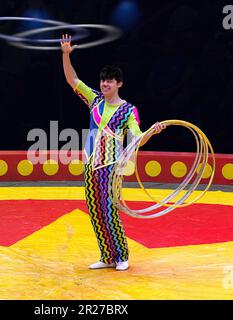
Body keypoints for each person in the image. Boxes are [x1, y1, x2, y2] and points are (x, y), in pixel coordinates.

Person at [60, 34, 165, 271]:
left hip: (111, 166)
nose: (104, 84)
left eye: (110, 81)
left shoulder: (129, 110)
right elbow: (72, 79)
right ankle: (107, 256)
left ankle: (121, 255)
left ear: (119, 84)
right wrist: (66, 55)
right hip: (90, 165)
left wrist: (153, 131)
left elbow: (137, 138)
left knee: (109, 210)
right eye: (103, 81)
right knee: (95, 211)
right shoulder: (95, 101)